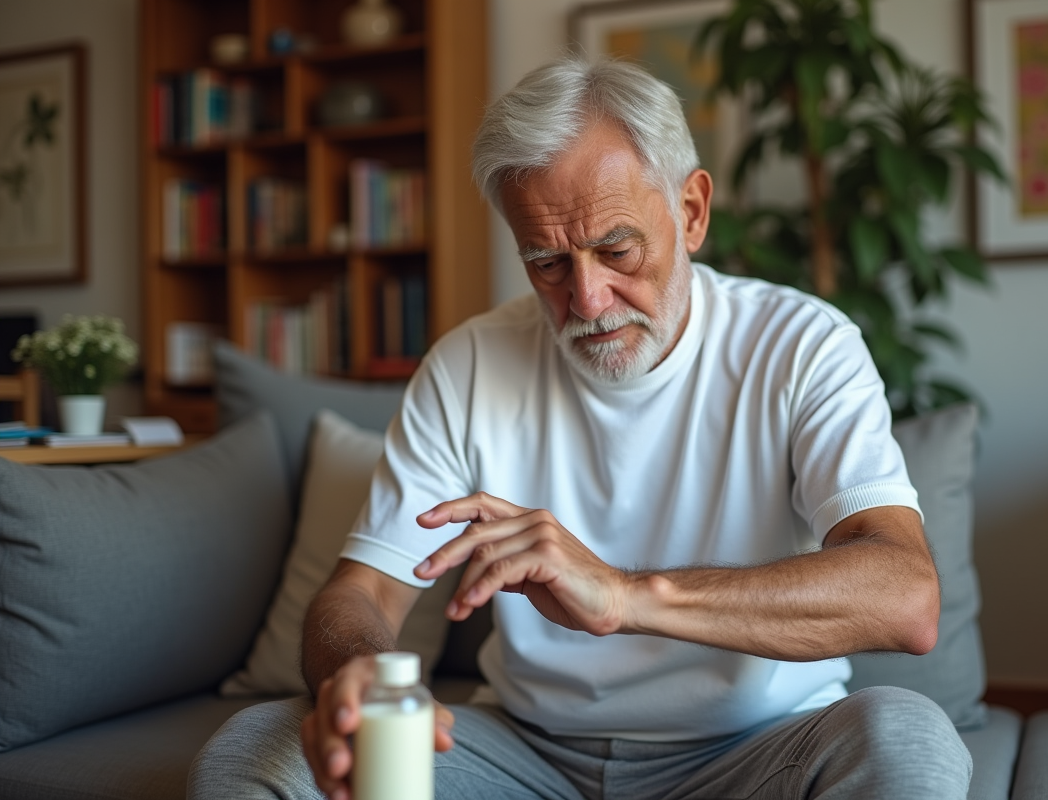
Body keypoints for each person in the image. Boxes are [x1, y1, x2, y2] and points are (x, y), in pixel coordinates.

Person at [189, 57, 971, 800]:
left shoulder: (802, 345)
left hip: (756, 753)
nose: (589, 299)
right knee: (257, 745)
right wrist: (353, 675)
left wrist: (625, 597)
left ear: (691, 211)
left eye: (616, 249)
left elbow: (905, 598)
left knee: (906, 734)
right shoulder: (467, 365)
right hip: (529, 757)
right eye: (547, 263)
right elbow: (360, 594)